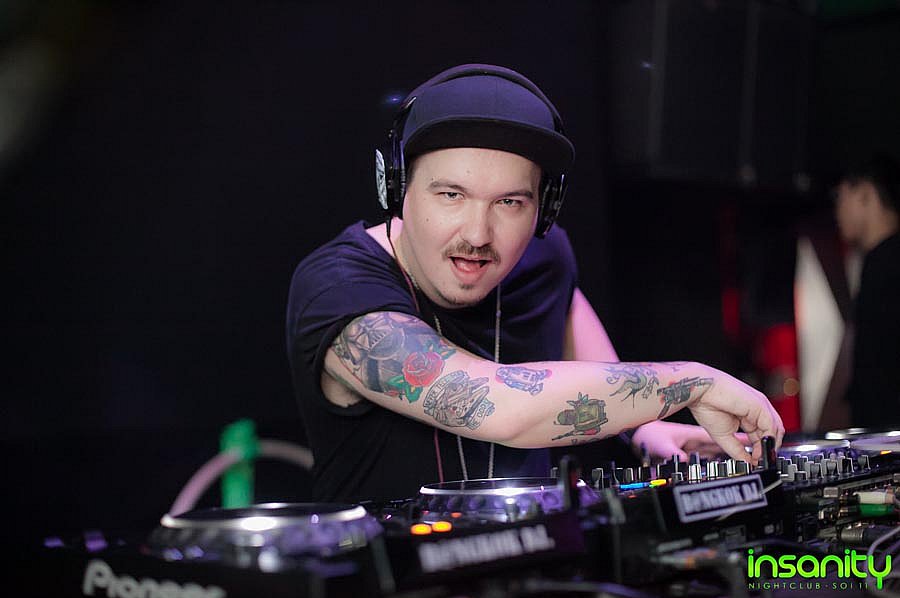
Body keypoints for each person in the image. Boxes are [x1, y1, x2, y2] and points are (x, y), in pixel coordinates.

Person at [286, 64, 783, 503]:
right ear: (396, 189)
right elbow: (498, 406)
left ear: (543, 210)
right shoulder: (338, 289)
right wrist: (692, 383)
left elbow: (597, 367)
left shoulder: (544, 257)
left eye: (509, 203)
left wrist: (646, 430)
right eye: (452, 195)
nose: (478, 235)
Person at [834, 153, 900, 428]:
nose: (838, 210)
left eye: (840, 197)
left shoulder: (885, 266)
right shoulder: (877, 263)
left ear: (864, 194)